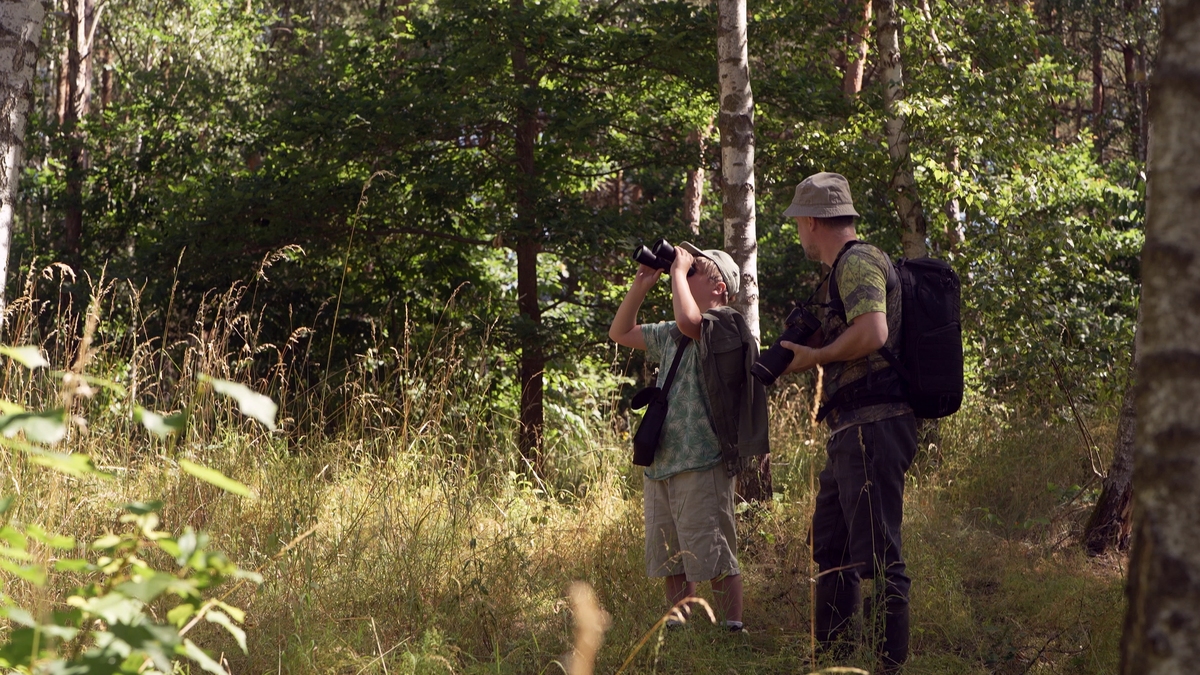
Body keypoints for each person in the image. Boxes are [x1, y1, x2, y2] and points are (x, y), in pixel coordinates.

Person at [780, 172, 917, 672]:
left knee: (880, 555)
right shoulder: (842, 269)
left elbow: (874, 331)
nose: (799, 232)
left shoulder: (857, 262)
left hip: (874, 424)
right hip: (852, 427)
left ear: (813, 221)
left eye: (799, 223)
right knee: (832, 546)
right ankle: (836, 664)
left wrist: (816, 355)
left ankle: (886, 667)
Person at [608, 242, 769, 631]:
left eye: (696, 269)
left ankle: (732, 628)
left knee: (712, 550)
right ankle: (678, 628)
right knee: (672, 556)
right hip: (664, 459)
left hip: (704, 459)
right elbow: (620, 332)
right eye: (686, 268)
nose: (685, 271)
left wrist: (677, 272)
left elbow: (689, 323)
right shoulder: (671, 333)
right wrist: (642, 285)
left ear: (720, 289)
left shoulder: (725, 324)